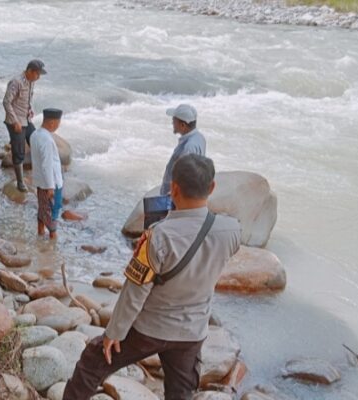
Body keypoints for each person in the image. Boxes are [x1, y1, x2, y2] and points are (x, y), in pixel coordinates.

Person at [63, 154, 241, 400]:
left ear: (173, 188)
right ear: (211, 188)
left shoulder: (158, 236)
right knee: (181, 393)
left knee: (92, 361)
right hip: (192, 332)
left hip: (149, 329)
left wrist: (114, 333)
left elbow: (134, 292)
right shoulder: (231, 230)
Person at [3, 59, 47, 192]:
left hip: (26, 120)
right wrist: (15, 121)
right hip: (15, 121)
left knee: (36, 141)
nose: (38, 77)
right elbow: (6, 102)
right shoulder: (16, 82)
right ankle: (20, 182)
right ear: (29, 71)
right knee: (19, 151)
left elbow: (28, 99)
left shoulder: (31, 82)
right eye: (37, 74)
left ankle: (39, 173)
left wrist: (30, 109)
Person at [30, 108, 63, 240]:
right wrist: (51, 186)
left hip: (40, 181)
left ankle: (40, 233)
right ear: (52, 123)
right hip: (51, 182)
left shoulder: (35, 134)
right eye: (58, 123)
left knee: (42, 208)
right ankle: (53, 241)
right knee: (53, 211)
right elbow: (47, 164)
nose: (58, 126)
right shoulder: (47, 140)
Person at [160, 104, 206, 196]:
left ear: (182, 125)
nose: (172, 123)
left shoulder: (189, 147)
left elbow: (186, 177)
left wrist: (173, 195)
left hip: (175, 198)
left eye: (174, 121)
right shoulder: (199, 137)